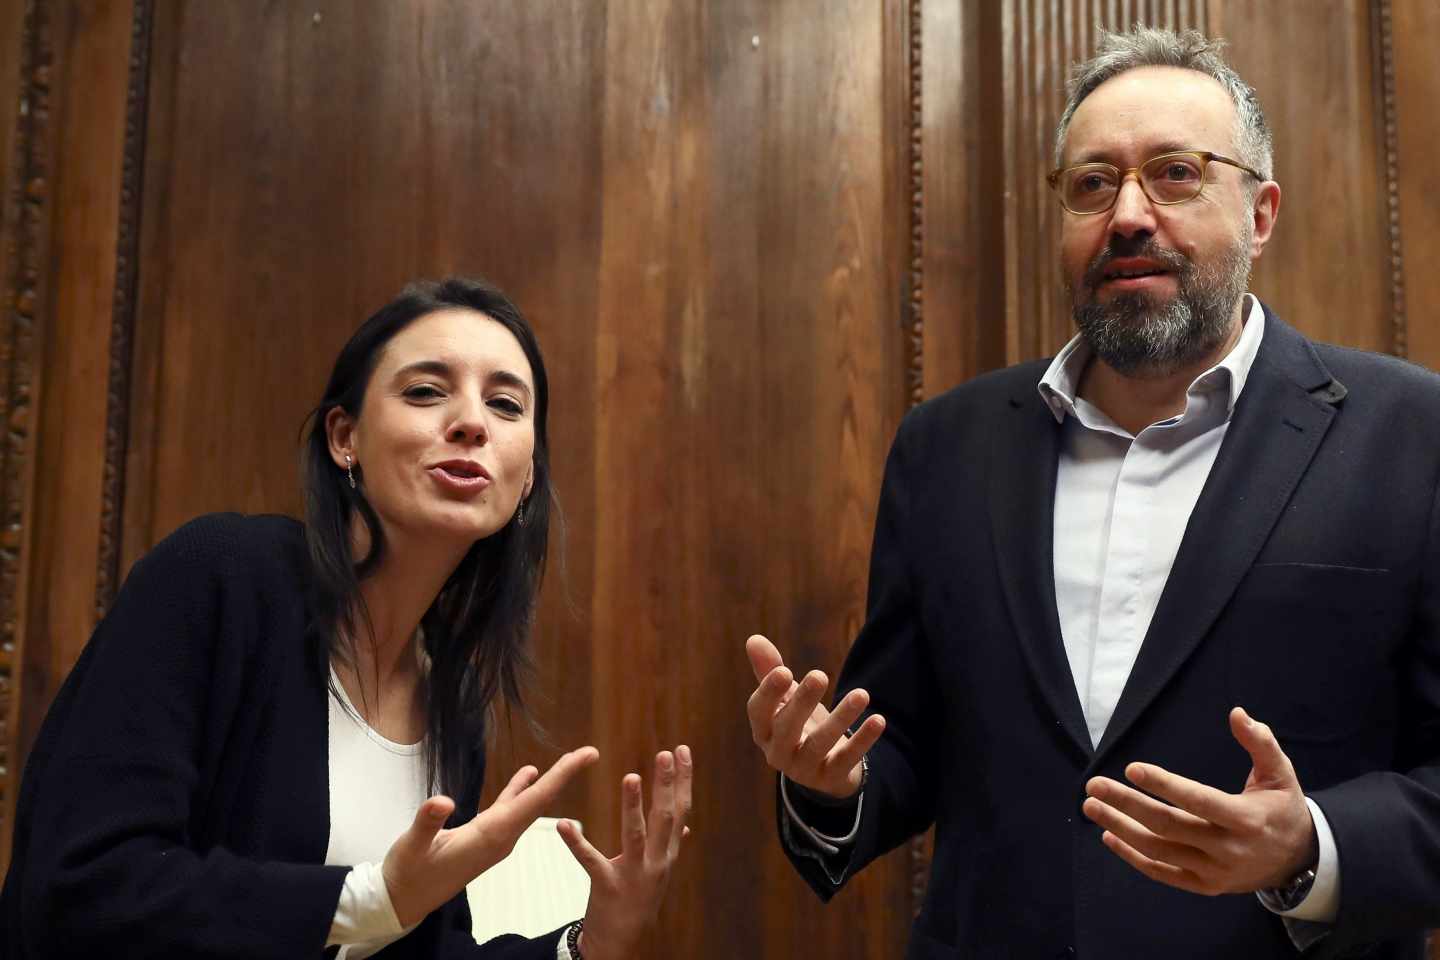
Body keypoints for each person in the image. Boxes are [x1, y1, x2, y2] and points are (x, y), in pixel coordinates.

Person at [745, 25, 1440, 959]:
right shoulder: (946, 449)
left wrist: (1310, 845)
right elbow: (903, 744)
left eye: (1177, 174)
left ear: (1262, 213)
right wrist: (829, 783)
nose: (1128, 215)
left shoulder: (1410, 433)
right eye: (1092, 183)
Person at [1, 277, 692, 960]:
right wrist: (370, 899)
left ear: (527, 478)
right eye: (425, 391)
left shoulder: (450, 699)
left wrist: (589, 942)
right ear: (344, 438)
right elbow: (80, 888)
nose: (472, 422)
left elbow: (418, 949)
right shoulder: (220, 577)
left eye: (506, 404)